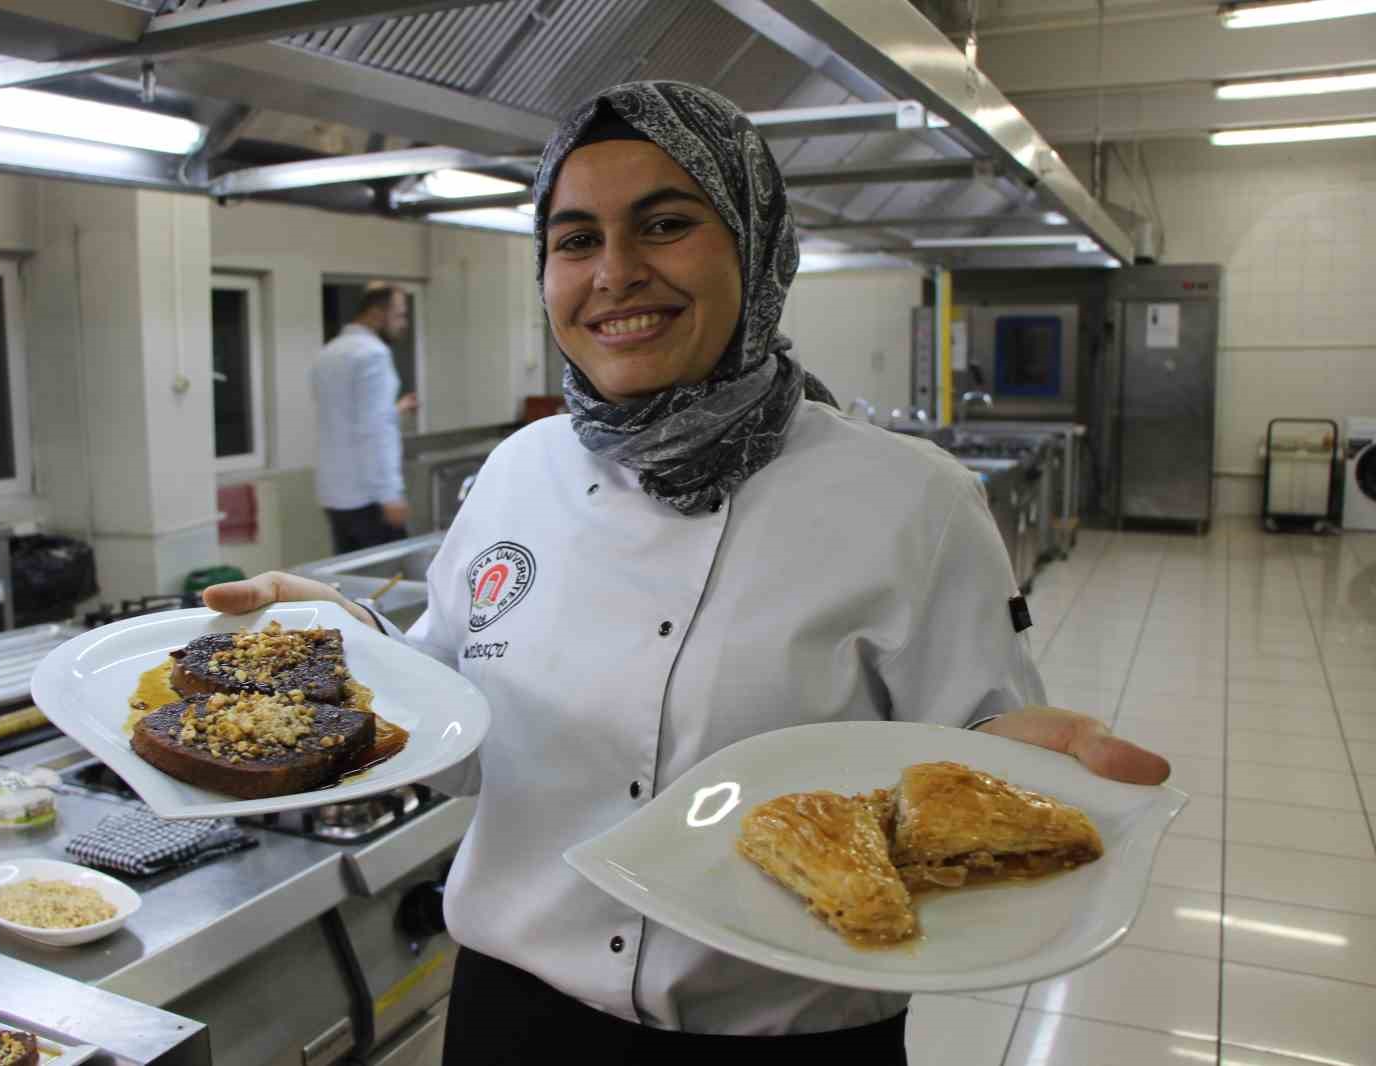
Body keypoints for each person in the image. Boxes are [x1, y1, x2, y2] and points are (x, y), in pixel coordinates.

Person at [207, 82, 1169, 1064]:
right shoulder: (515, 475)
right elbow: (455, 744)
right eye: (575, 240)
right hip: (516, 1021)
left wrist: (1011, 771)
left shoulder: (907, 498)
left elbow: (962, 777)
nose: (615, 272)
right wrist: (344, 646)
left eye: (664, 224)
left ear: (752, 247)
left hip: (785, 1038)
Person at [313, 284, 419, 554]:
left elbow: (348, 418)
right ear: (376, 313)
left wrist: (394, 411)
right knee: (387, 583)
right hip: (369, 496)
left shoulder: (329, 352)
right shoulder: (373, 354)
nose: (403, 324)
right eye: (399, 315)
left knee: (354, 582)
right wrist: (390, 494)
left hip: (336, 493)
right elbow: (375, 430)